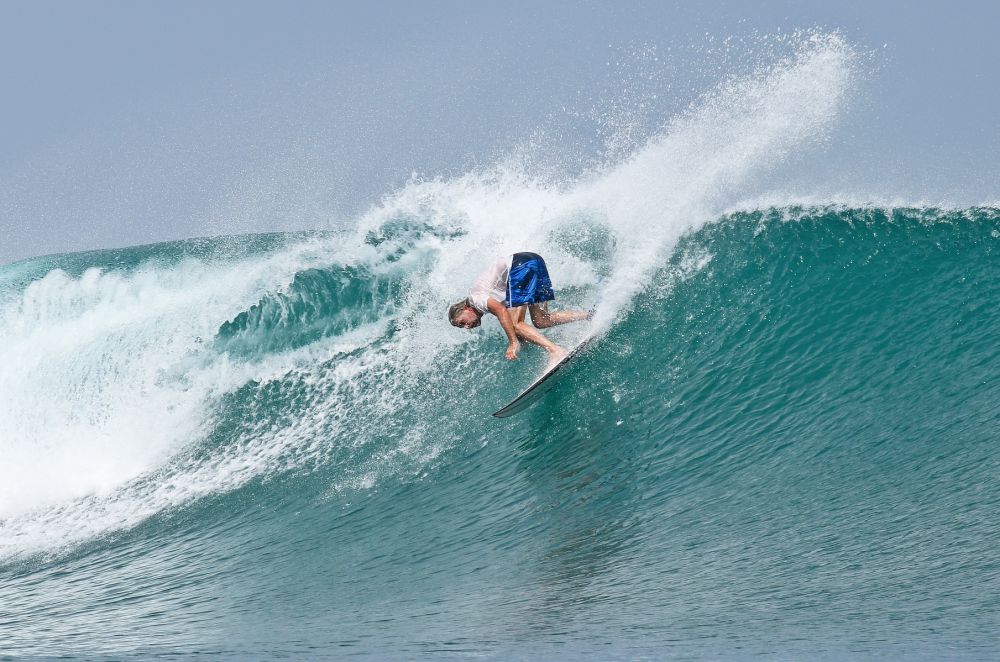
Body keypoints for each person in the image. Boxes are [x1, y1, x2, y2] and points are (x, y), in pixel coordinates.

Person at [448, 251, 591, 368]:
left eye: (462, 322)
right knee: (541, 320)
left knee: (515, 324)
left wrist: (513, 342)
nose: (466, 327)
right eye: (462, 327)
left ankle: (556, 351)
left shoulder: (476, 299)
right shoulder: (485, 296)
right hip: (534, 261)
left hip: (519, 267)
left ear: (466, 308)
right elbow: (513, 309)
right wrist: (521, 339)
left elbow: (502, 312)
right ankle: (589, 315)